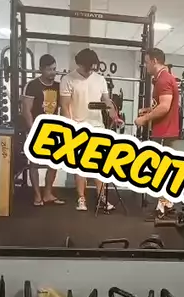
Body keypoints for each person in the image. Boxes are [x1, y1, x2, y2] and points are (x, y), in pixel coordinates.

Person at [60, 48, 123, 212]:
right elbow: (65, 106)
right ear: (79, 64)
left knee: (99, 164)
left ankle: (102, 198)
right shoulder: (68, 79)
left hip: (97, 126)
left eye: (92, 67)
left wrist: (115, 117)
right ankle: (81, 198)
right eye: (87, 67)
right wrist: (70, 127)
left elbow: (107, 101)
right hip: (78, 126)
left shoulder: (100, 80)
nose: (90, 70)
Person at [134, 48, 181, 220]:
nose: (146, 65)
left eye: (147, 62)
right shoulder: (164, 78)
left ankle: (163, 207)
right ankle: (166, 204)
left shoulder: (163, 79)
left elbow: (164, 107)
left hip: (165, 132)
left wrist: (144, 119)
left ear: (154, 61)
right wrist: (148, 110)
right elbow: (162, 105)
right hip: (166, 131)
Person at [21, 54, 65, 206]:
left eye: (54, 69)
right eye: (49, 69)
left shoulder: (59, 86)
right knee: (34, 164)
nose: (53, 72)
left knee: (54, 163)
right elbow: (26, 110)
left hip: (53, 130)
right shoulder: (32, 85)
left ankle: (47, 193)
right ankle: (37, 195)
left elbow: (63, 108)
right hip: (36, 129)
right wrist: (33, 131)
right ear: (41, 69)